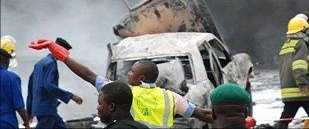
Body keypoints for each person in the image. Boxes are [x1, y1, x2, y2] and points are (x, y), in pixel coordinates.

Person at [28, 38, 213, 128]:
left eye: (132, 71)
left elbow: (89, 75)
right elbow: (202, 114)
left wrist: (64, 57)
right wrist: (235, 118)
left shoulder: (123, 92)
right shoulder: (171, 97)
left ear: (141, 78)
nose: (128, 73)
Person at [276, 17, 309, 129]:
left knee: (285, 119)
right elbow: (299, 66)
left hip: (289, 91)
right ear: (302, 31)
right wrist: (303, 83)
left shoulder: (286, 45)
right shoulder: (301, 44)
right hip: (304, 91)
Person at [26, 38, 83, 129]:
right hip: (47, 110)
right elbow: (49, 86)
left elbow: (31, 88)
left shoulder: (39, 63)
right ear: (59, 49)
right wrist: (71, 96)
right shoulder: (51, 63)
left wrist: (29, 110)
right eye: (64, 52)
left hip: (44, 110)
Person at [0, 41, 30, 129]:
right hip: (6, 122)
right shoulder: (12, 78)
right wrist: (27, 123)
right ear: (5, 60)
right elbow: (19, 106)